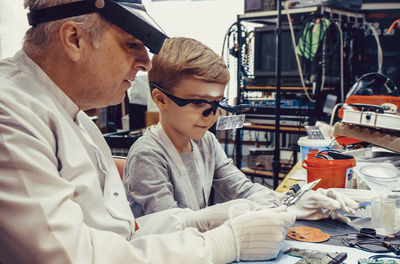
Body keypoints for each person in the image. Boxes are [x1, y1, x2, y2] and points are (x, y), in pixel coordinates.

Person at [0, 1, 297, 264]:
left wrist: (198, 221)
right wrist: (221, 243)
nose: (146, 63)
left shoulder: (77, 120)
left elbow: (124, 234)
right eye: (132, 44)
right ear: (74, 39)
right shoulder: (10, 114)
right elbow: (75, 258)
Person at [123, 37, 359, 221]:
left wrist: (295, 200)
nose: (211, 115)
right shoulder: (148, 155)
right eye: (198, 103)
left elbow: (244, 190)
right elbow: (171, 227)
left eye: (217, 104)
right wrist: (251, 213)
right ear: (161, 99)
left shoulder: (205, 142)